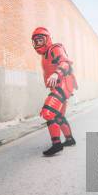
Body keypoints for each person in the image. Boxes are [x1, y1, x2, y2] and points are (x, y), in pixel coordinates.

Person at [31, 27, 78, 156]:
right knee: (58, 116)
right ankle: (69, 140)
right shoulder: (45, 54)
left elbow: (65, 63)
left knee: (48, 113)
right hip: (59, 85)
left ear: (47, 39)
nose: (38, 43)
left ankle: (56, 144)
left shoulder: (55, 48)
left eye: (41, 39)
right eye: (36, 41)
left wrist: (56, 74)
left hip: (63, 84)